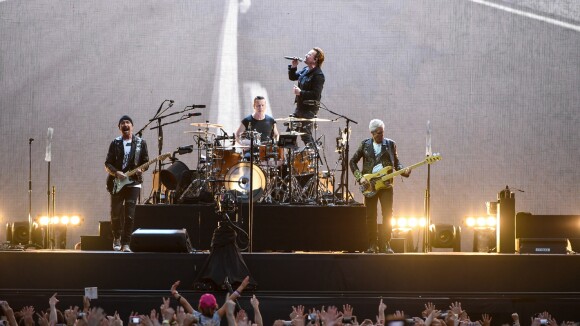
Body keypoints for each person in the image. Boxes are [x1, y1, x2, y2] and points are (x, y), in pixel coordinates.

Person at [349, 119, 410, 254]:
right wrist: (360, 177)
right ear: (372, 133)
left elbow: (396, 162)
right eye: (378, 133)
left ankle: (386, 243)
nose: (381, 135)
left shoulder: (390, 144)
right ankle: (372, 244)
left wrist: (404, 170)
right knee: (371, 216)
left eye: (382, 132)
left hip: (386, 185)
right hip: (369, 185)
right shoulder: (365, 145)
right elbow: (352, 162)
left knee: (388, 215)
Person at [105, 115, 149, 252]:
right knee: (116, 213)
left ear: (132, 126)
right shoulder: (115, 143)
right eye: (122, 123)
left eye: (128, 122)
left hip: (133, 182)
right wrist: (116, 172)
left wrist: (142, 169)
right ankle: (117, 237)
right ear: (120, 128)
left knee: (129, 214)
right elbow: (108, 163)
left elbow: (145, 162)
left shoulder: (141, 143)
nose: (125, 124)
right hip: (117, 181)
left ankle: (126, 243)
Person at [288, 47, 325, 146]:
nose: (305, 55)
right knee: (289, 134)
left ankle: (312, 157)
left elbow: (315, 95)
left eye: (309, 55)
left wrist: (301, 93)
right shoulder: (305, 69)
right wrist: (293, 66)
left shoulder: (318, 75)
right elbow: (292, 77)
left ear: (315, 59)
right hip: (299, 107)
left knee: (305, 135)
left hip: (309, 110)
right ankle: (294, 158)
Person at [235, 96, 280, 161]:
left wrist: (276, 143)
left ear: (265, 106)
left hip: (266, 151)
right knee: (247, 159)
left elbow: (276, 135)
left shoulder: (271, 120)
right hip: (250, 151)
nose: (260, 108)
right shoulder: (247, 120)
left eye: (262, 105)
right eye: (258, 106)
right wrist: (243, 146)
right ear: (254, 106)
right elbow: (237, 135)